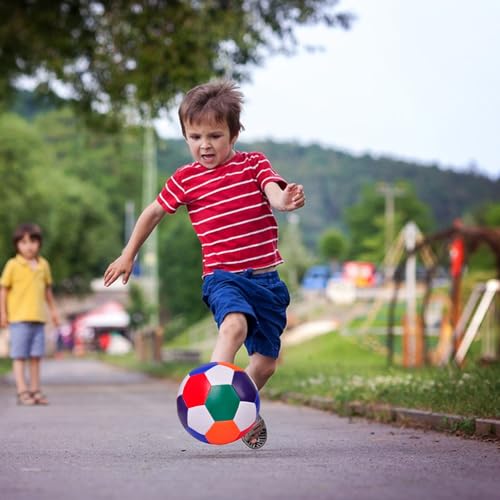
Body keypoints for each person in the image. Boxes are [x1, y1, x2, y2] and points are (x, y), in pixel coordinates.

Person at [104, 80, 305, 448]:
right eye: (195, 136)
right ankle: (209, 397)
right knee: (233, 327)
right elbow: (152, 213)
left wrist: (285, 200)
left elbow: (273, 192)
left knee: (265, 365)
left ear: (234, 133)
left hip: (266, 281)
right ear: (184, 135)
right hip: (222, 277)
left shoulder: (254, 163)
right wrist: (128, 253)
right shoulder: (186, 179)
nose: (205, 145)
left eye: (215, 135)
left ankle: (240, 406)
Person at [0, 223, 60, 405]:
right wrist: (3, 313)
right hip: (18, 319)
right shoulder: (12, 265)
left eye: (33, 241)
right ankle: (22, 391)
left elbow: (47, 291)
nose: (29, 246)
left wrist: (54, 311)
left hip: (38, 319)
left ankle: (35, 390)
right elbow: (3, 290)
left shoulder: (43, 265)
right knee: (19, 356)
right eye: (24, 242)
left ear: (39, 244)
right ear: (17, 244)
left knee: (36, 356)